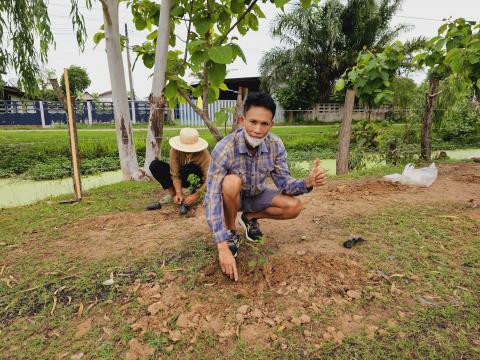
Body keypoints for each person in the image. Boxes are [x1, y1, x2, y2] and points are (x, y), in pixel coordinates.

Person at [204, 92, 327, 281]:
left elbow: (284, 183)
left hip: (256, 195)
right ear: (242, 120)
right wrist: (221, 246)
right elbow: (212, 197)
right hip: (231, 198)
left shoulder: (275, 145)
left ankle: (250, 217)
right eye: (253, 122)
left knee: (294, 206)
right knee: (230, 182)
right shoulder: (224, 148)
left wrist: (307, 182)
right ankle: (230, 232)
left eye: (264, 124)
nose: (257, 130)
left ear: (271, 125)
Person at [148, 128, 210, 214]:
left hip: (196, 179)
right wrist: (178, 192)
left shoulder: (204, 154)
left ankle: (192, 193)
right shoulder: (174, 150)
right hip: (181, 176)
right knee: (155, 165)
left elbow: (210, 179)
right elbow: (175, 174)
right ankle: (175, 196)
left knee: (188, 169)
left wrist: (196, 195)